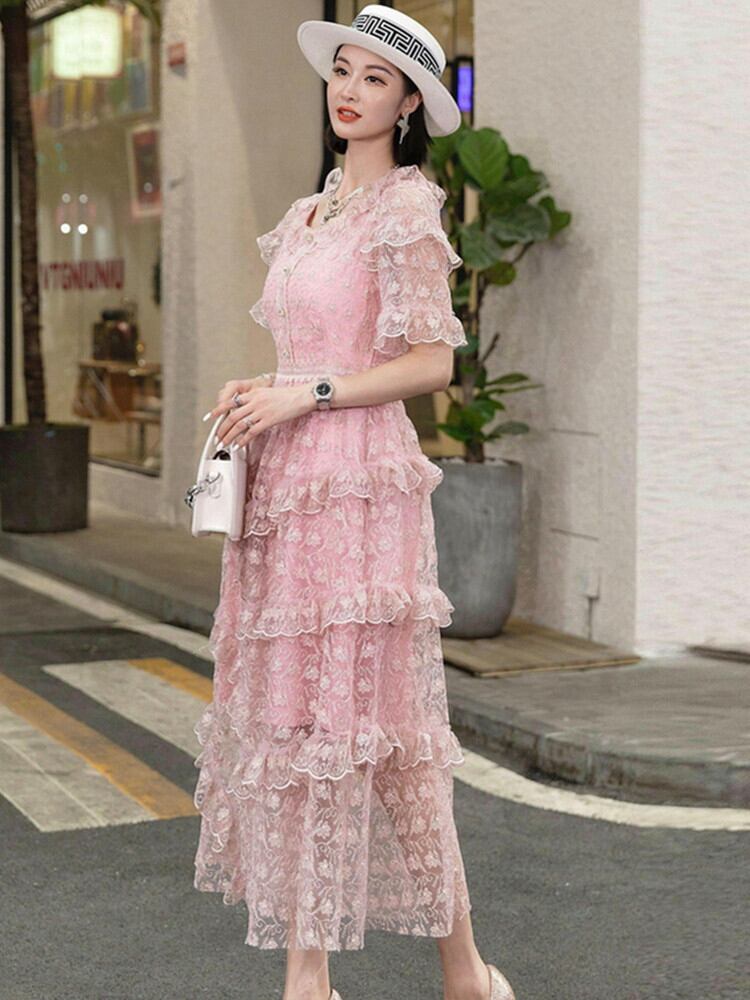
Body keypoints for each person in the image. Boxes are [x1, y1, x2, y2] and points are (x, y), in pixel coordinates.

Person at [193, 6, 516, 1000]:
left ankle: (462, 972)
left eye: (376, 78)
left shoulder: (409, 210)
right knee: (293, 728)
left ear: (409, 102)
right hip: (286, 483)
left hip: (363, 486)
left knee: (386, 733)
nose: (350, 89)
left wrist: (310, 393)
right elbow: (312, 353)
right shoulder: (308, 215)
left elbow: (429, 363)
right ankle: (312, 980)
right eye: (343, 69)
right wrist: (265, 388)